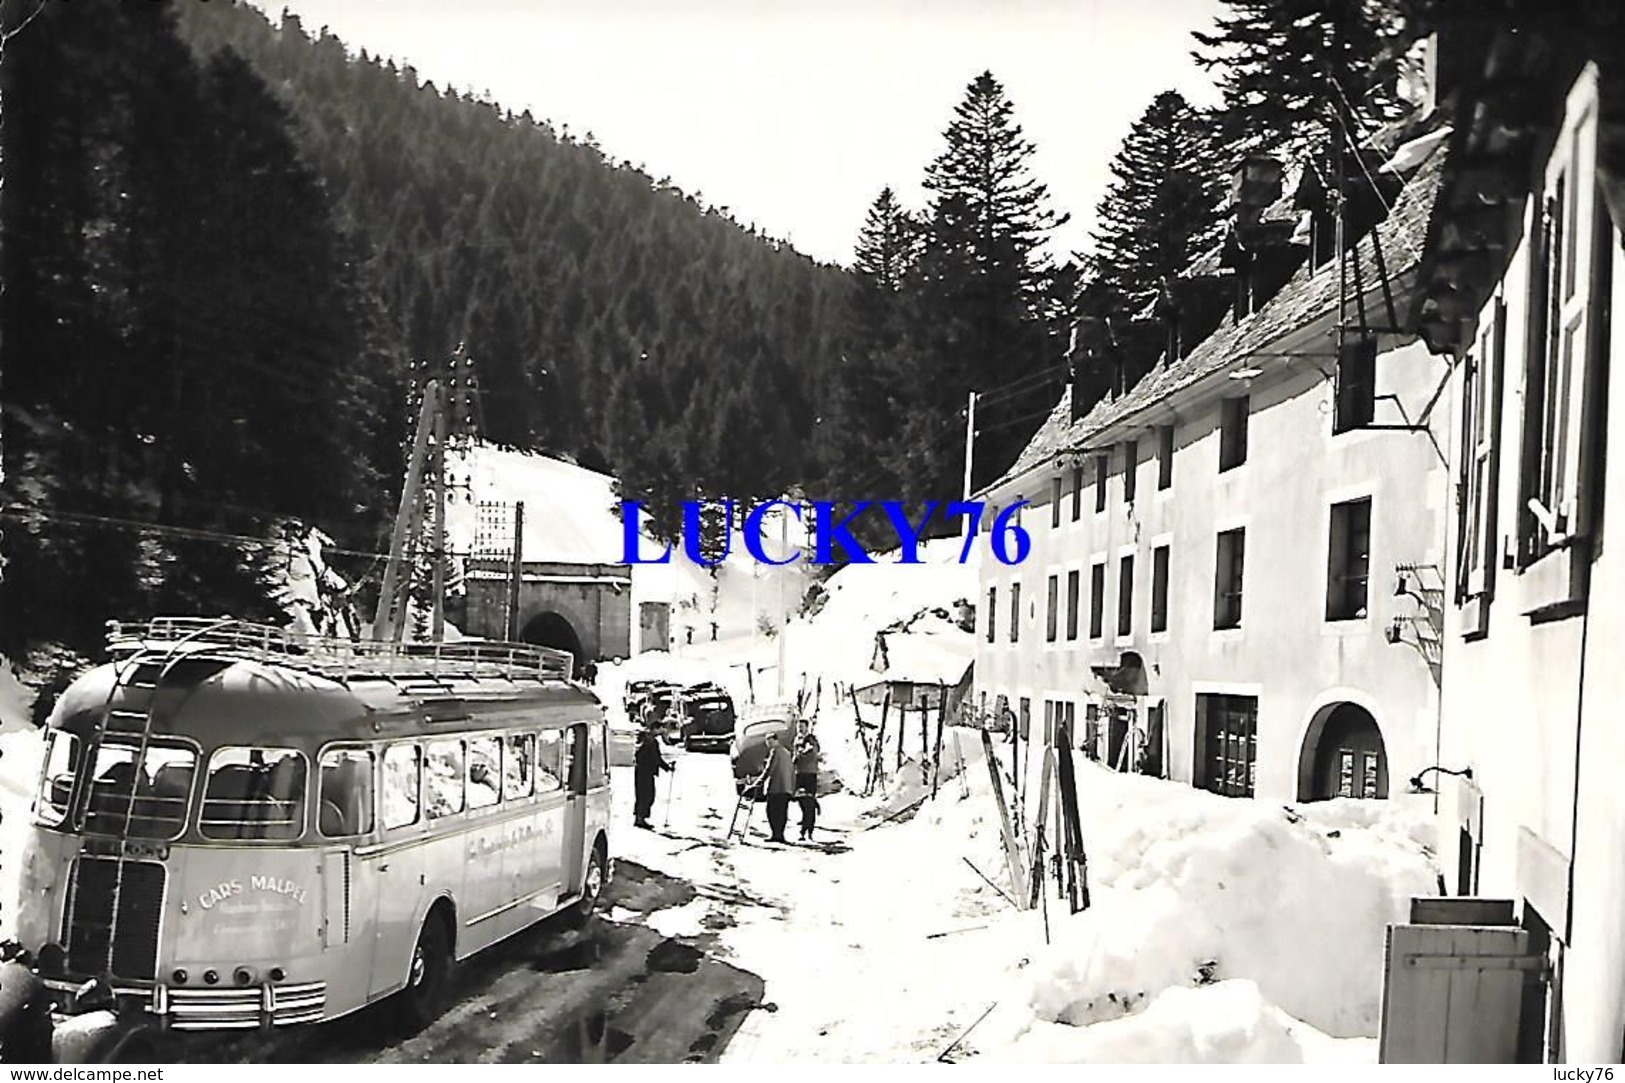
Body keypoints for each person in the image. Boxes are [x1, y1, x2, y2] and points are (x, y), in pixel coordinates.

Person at [754, 731, 795, 843]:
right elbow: (792, 771)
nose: (768, 743)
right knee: (782, 812)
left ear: (774, 740)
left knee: (772, 811)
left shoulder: (775, 751)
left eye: (769, 741)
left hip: (776, 787)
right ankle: (780, 835)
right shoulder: (787, 752)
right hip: (786, 787)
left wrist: (757, 783)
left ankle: (775, 834)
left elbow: (769, 770)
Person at [633, 727, 672, 829]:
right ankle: (640, 819)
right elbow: (656, 758)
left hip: (640, 771)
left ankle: (639, 818)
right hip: (646, 772)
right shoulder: (651, 742)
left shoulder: (644, 740)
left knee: (641, 795)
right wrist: (667, 767)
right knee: (647, 796)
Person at [792, 721, 822, 842]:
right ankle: (805, 823)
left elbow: (812, 753)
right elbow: (796, 755)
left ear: (807, 727)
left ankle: (807, 830)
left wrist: (801, 754)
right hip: (799, 773)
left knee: (808, 802)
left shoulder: (812, 739)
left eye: (802, 727)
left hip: (810, 773)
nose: (800, 729)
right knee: (801, 801)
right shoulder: (796, 740)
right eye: (798, 727)